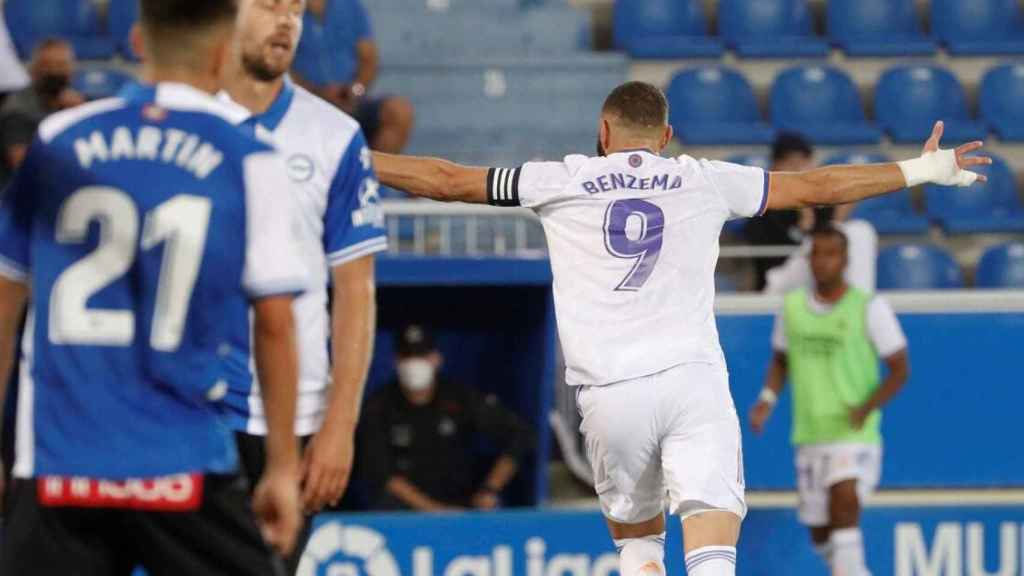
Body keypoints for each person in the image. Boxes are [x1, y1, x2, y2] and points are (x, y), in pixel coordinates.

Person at [369, 80, 987, 576]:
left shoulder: (558, 178)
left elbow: (446, 180)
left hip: (610, 392)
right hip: (692, 382)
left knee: (638, 547)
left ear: (602, 133)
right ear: (665, 136)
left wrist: (356, 158)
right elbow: (819, 187)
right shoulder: (705, 178)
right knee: (713, 544)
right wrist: (920, 169)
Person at [0, 0, 308, 573]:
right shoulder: (247, 158)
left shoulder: (57, 140)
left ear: (137, 42)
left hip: (60, 464)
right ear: (223, 53)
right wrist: (284, 468)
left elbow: (5, 293)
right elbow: (275, 321)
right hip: (183, 464)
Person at [221, 0, 387, 571]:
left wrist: (340, 424)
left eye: (295, 7)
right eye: (270, 4)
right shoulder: (183, 121)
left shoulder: (335, 136)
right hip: (192, 411)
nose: (287, 19)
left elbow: (356, 289)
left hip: (292, 422)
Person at [749, 224, 910, 576]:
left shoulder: (869, 307)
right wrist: (767, 398)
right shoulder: (792, 308)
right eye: (816, 254)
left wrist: (867, 407)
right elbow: (780, 358)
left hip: (854, 432)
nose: (822, 261)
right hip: (810, 432)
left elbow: (899, 367)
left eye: (831, 254)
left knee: (844, 499)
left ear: (845, 259)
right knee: (820, 530)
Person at [358, 325, 534, 512]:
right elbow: (382, 473)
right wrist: (436, 512)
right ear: (396, 361)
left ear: (437, 359)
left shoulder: (460, 398)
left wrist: (489, 489)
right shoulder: (379, 406)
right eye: (408, 356)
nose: (415, 363)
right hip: (404, 514)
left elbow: (520, 435)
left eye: (422, 355)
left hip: (463, 509)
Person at [290, 0, 414, 153]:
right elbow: (282, 68)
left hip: (350, 99)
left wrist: (355, 90)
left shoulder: (350, 6)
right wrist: (316, 93)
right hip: (305, 103)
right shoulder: (286, 9)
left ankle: (371, 174)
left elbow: (369, 59)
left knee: (399, 112)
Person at [0, 38, 85, 186]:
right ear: (33, 70)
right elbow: (25, 167)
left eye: (61, 65)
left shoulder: (74, 105)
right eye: (47, 65)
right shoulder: (17, 110)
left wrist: (81, 115)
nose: (54, 71)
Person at [743, 132, 815, 289]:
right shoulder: (762, 207)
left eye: (804, 163)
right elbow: (770, 258)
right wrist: (803, 225)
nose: (799, 171)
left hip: (814, 283)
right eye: (792, 164)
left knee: (859, 229)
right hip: (775, 284)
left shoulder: (820, 204)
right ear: (775, 166)